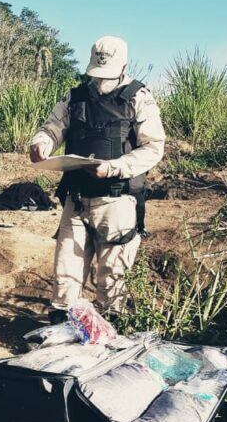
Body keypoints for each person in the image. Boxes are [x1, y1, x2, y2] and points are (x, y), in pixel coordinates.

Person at [29, 35, 166, 320]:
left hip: (117, 201)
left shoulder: (139, 98)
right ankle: (62, 334)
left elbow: (154, 148)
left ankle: (109, 336)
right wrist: (41, 143)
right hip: (76, 200)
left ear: (124, 65)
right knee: (65, 276)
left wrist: (113, 167)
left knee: (111, 280)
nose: (101, 80)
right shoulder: (75, 96)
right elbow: (52, 127)